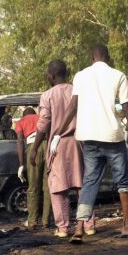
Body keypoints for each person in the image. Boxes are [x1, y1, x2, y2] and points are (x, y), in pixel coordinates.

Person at [62, 45, 128, 243]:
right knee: (123, 181)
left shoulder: (80, 76)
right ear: (107, 57)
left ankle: (78, 229)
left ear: (93, 57)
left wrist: (58, 133)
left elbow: (72, 106)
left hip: (88, 136)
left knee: (89, 182)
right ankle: (126, 225)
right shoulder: (117, 75)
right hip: (111, 136)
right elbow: (127, 107)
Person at [30, 59, 94, 237]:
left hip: (57, 144)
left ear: (51, 75)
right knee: (81, 184)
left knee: (58, 187)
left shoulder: (48, 95)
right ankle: (88, 225)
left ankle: (63, 227)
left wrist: (35, 148)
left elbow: (43, 123)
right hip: (79, 142)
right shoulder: (77, 90)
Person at [16, 107, 51, 228]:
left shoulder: (20, 122)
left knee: (33, 187)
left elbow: (20, 141)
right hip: (48, 146)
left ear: (23, 115)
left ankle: (32, 221)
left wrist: (21, 164)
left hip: (33, 148)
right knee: (48, 187)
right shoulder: (41, 118)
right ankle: (46, 221)